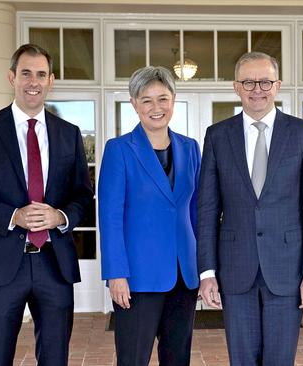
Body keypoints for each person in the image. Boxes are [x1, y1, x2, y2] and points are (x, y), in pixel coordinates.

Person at [0, 43, 94, 366]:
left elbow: (83, 196)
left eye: (41, 74)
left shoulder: (68, 134)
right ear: (11, 77)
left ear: (51, 81)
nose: (34, 81)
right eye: (26, 73)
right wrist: (13, 216)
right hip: (0, 266)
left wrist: (60, 216)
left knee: (55, 358)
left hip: (54, 265)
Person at [196, 51, 303, 365]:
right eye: (249, 82)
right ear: (236, 87)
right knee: (241, 359)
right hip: (235, 270)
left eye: (265, 81)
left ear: (278, 85)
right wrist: (207, 272)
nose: (258, 89)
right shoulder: (218, 136)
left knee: (280, 359)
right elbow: (207, 210)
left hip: (287, 270)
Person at [98, 66, 201, 365]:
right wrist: (116, 274)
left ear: (173, 100)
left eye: (163, 99)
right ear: (134, 103)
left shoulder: (190, 147)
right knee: (133, 358)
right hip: (137, 278)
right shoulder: (119, 150)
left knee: (178, 358)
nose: (156, 108)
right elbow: (110, 217)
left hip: (184, 274)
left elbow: (196, 212)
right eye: (147, 100)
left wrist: (204, 268)